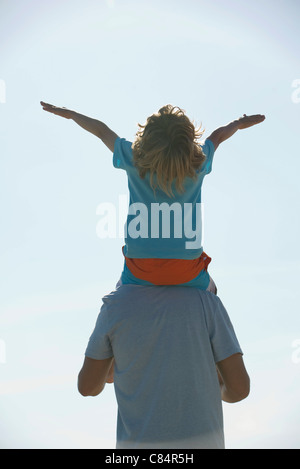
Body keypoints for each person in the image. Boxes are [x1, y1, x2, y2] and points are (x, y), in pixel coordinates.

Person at [40, 101, 265, 293]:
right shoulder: (199, 161)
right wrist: (238, 123)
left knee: (118, 295)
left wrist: (71, 114)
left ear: (147, 136)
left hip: (140, 269)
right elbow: (218, 135)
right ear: (187, 139)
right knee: (213, 291)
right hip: (186, 269)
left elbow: (101, 131)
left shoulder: (134, 158)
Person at [78, 284, 250, 449]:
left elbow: (88, 387)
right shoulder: (207, 301)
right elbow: (239, 389)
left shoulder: (117, 304)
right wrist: (212, 388)